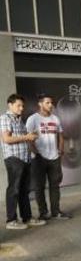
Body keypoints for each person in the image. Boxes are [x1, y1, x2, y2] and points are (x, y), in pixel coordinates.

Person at [26, 94, 70, 221]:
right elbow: (29, 139)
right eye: (47, 102)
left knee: (55, 186)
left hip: (54, 157)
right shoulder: (33, 119)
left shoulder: (55, 119)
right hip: (39, 158)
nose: (50, 105)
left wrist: (61, 149)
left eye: (51, 102)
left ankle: (56, 212)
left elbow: (60, 135)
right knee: (39, 187)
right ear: (40, 104)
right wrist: (36, 154)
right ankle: (43, 213)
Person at [2, 94, 42, 230]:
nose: (21, 108)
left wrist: (32, 137)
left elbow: (25, 138)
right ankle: (11, 220)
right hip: (14, 159)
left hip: (24, 158)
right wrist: (26, 136)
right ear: (10, 105)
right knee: (13, 189)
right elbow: (6, 139)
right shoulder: (5, 118)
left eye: (23, 106)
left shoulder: (19, 120)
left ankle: (27, 218)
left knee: (24, 190)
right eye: (18, 105)